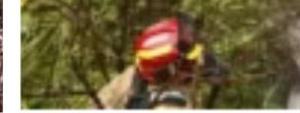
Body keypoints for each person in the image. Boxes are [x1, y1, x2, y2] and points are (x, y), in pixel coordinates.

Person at [95, 15, 223, 109]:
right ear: (169, 70)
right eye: (187, 63)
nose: (193, 65)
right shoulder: (170, 106)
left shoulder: (137, 73)